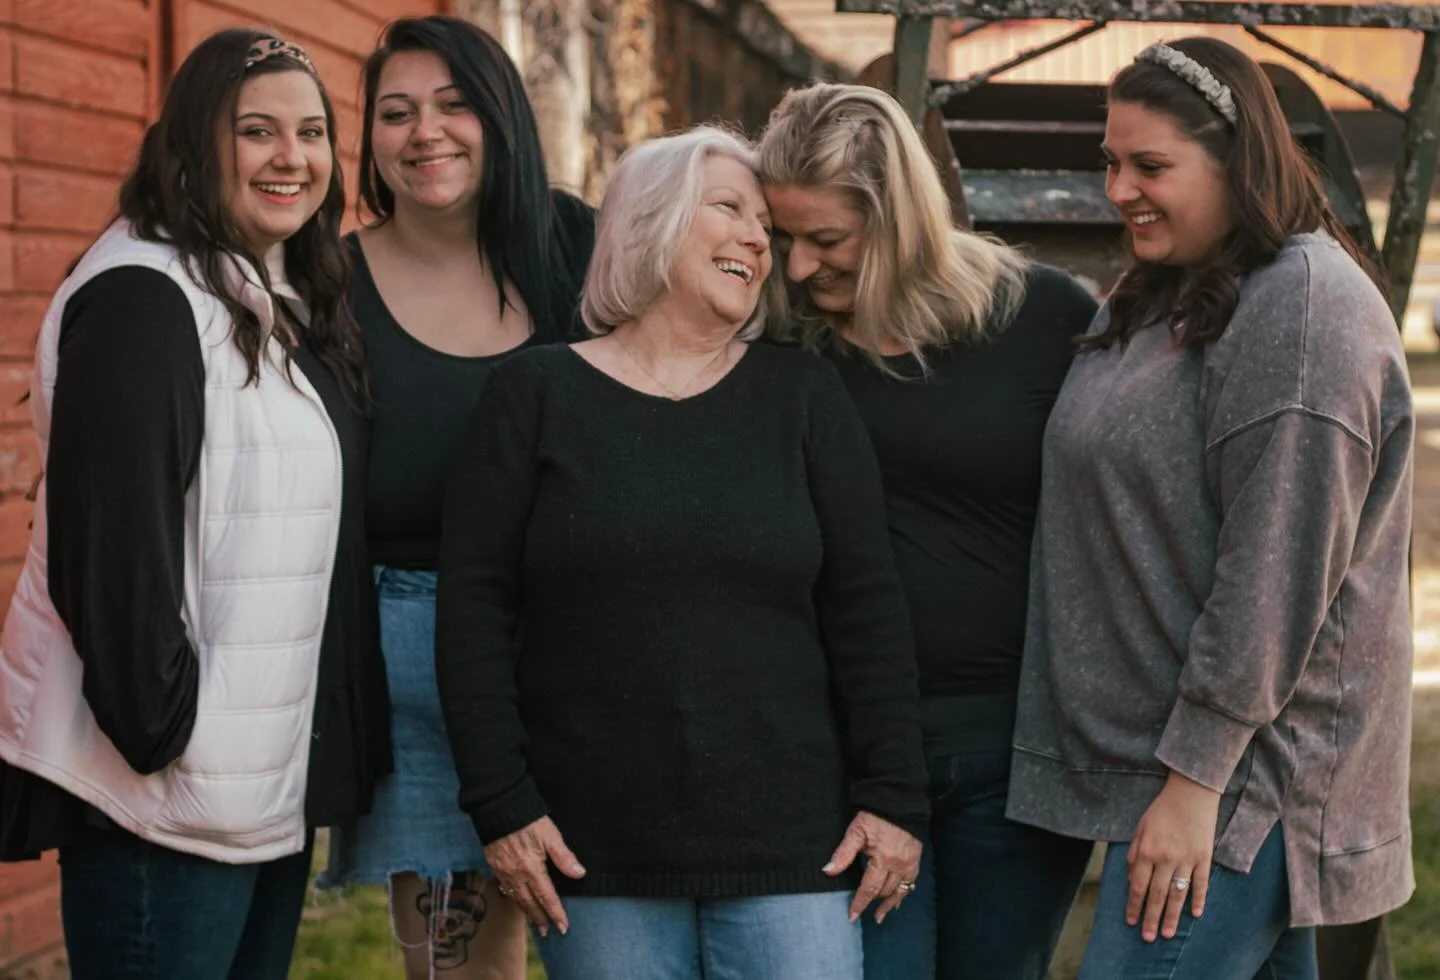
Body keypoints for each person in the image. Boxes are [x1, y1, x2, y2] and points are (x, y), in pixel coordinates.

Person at [433, 125, 929, 980]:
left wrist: (893, 798)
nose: (757, 240)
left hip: (796, 855)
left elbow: (868, 611)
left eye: (764, 229)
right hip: (594, 858)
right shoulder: (534, 396)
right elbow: (474, 614)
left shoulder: (801, 395)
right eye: (730, 210)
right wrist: (502, 806)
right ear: (650, 220)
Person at [1008, 37, 1415, 980]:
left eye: (1151, 166)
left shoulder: (1305, 310)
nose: (1119, 190)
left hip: (1245, 784)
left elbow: (1274, 573)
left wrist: (1195, 783)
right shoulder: (1167, 287)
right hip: (1187, 775)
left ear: (1239, 163)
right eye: (1110, 163)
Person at [0, 28, 390, 980]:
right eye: (257, 131)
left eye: (311, 132)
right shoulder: (144, 295)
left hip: (253, 786)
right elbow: (116, 555)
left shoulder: (260, 294)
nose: (291, 158)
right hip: (161, 802)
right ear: (192, 144)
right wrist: (167, 735)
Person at [756, 82, 1101, 980]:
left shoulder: (1046, 317)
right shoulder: (779, 350)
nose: (797, 269)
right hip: (850, 755)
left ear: (901, 216)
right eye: (782, 238)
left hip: (1017, 754)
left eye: (826, 241)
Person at [316, 15, 593, 979]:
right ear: (371, 141)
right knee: (456, 963)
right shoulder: (329, 284)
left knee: (615, 937)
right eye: (395, 113)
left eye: (452, 104)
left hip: (584, 643)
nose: (424, 132)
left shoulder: (579, 248)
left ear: (500, 115)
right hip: (411, 656)